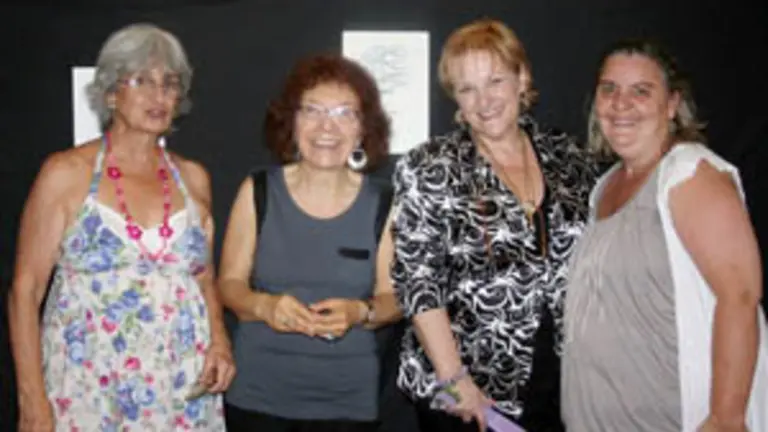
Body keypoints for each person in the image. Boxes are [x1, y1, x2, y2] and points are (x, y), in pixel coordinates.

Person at [7, 23, 234, 431]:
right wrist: (31, 398)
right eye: (141, 81)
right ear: (112, 92)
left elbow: (204, 276)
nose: (158, 95)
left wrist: (220, 340)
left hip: (181, 387)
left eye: (169, 84)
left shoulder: (193, 178)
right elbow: (25, 292)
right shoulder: (65, 173)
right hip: (87, 388)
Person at [390, 18, 597, 432]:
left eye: (495, 80)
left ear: (523, 79)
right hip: (464, 391)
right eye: (467, 88)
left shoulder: (570, 157)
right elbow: (417, 280)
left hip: (559, 379)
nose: (484, 100)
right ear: (456, 100)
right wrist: (454, 380)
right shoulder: (430, 166)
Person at [562, 39, 768, 432]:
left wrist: (727, 417)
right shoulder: (604, 187)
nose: (621, 104)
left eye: (641, 91)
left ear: (672, 105)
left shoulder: (690, 174)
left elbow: (740, 295)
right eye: (610, 89)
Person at [218, 53, 405, 432]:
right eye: (313, 110)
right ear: (291, 122)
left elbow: (396, 299)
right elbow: (229, 285)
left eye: (343, 113)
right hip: (257, 397)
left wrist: (359, 313)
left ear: (362, 130)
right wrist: (264, 305)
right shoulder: (258, 191)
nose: (326, 126)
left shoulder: (384, 203)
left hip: (346, 403)